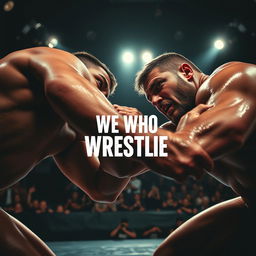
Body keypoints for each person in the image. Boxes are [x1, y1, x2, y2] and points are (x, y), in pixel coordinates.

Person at [0, 47, 211, 255]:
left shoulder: (68, 135)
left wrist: (144, 129)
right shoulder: (52, 58)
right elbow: (61, 87)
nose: (101, 97)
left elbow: (104, 188)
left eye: (106, 95)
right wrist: (155, 142)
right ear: (78, 69)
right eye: (99, 83)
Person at [114, 52, 256, 255]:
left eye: (158, 86)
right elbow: (120, 168)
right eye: (150, 99)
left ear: (187, 73)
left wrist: (139, 131)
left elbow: (232, 132)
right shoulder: (179, 128)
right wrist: (103, 125)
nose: (155, 100)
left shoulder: (232, 76)